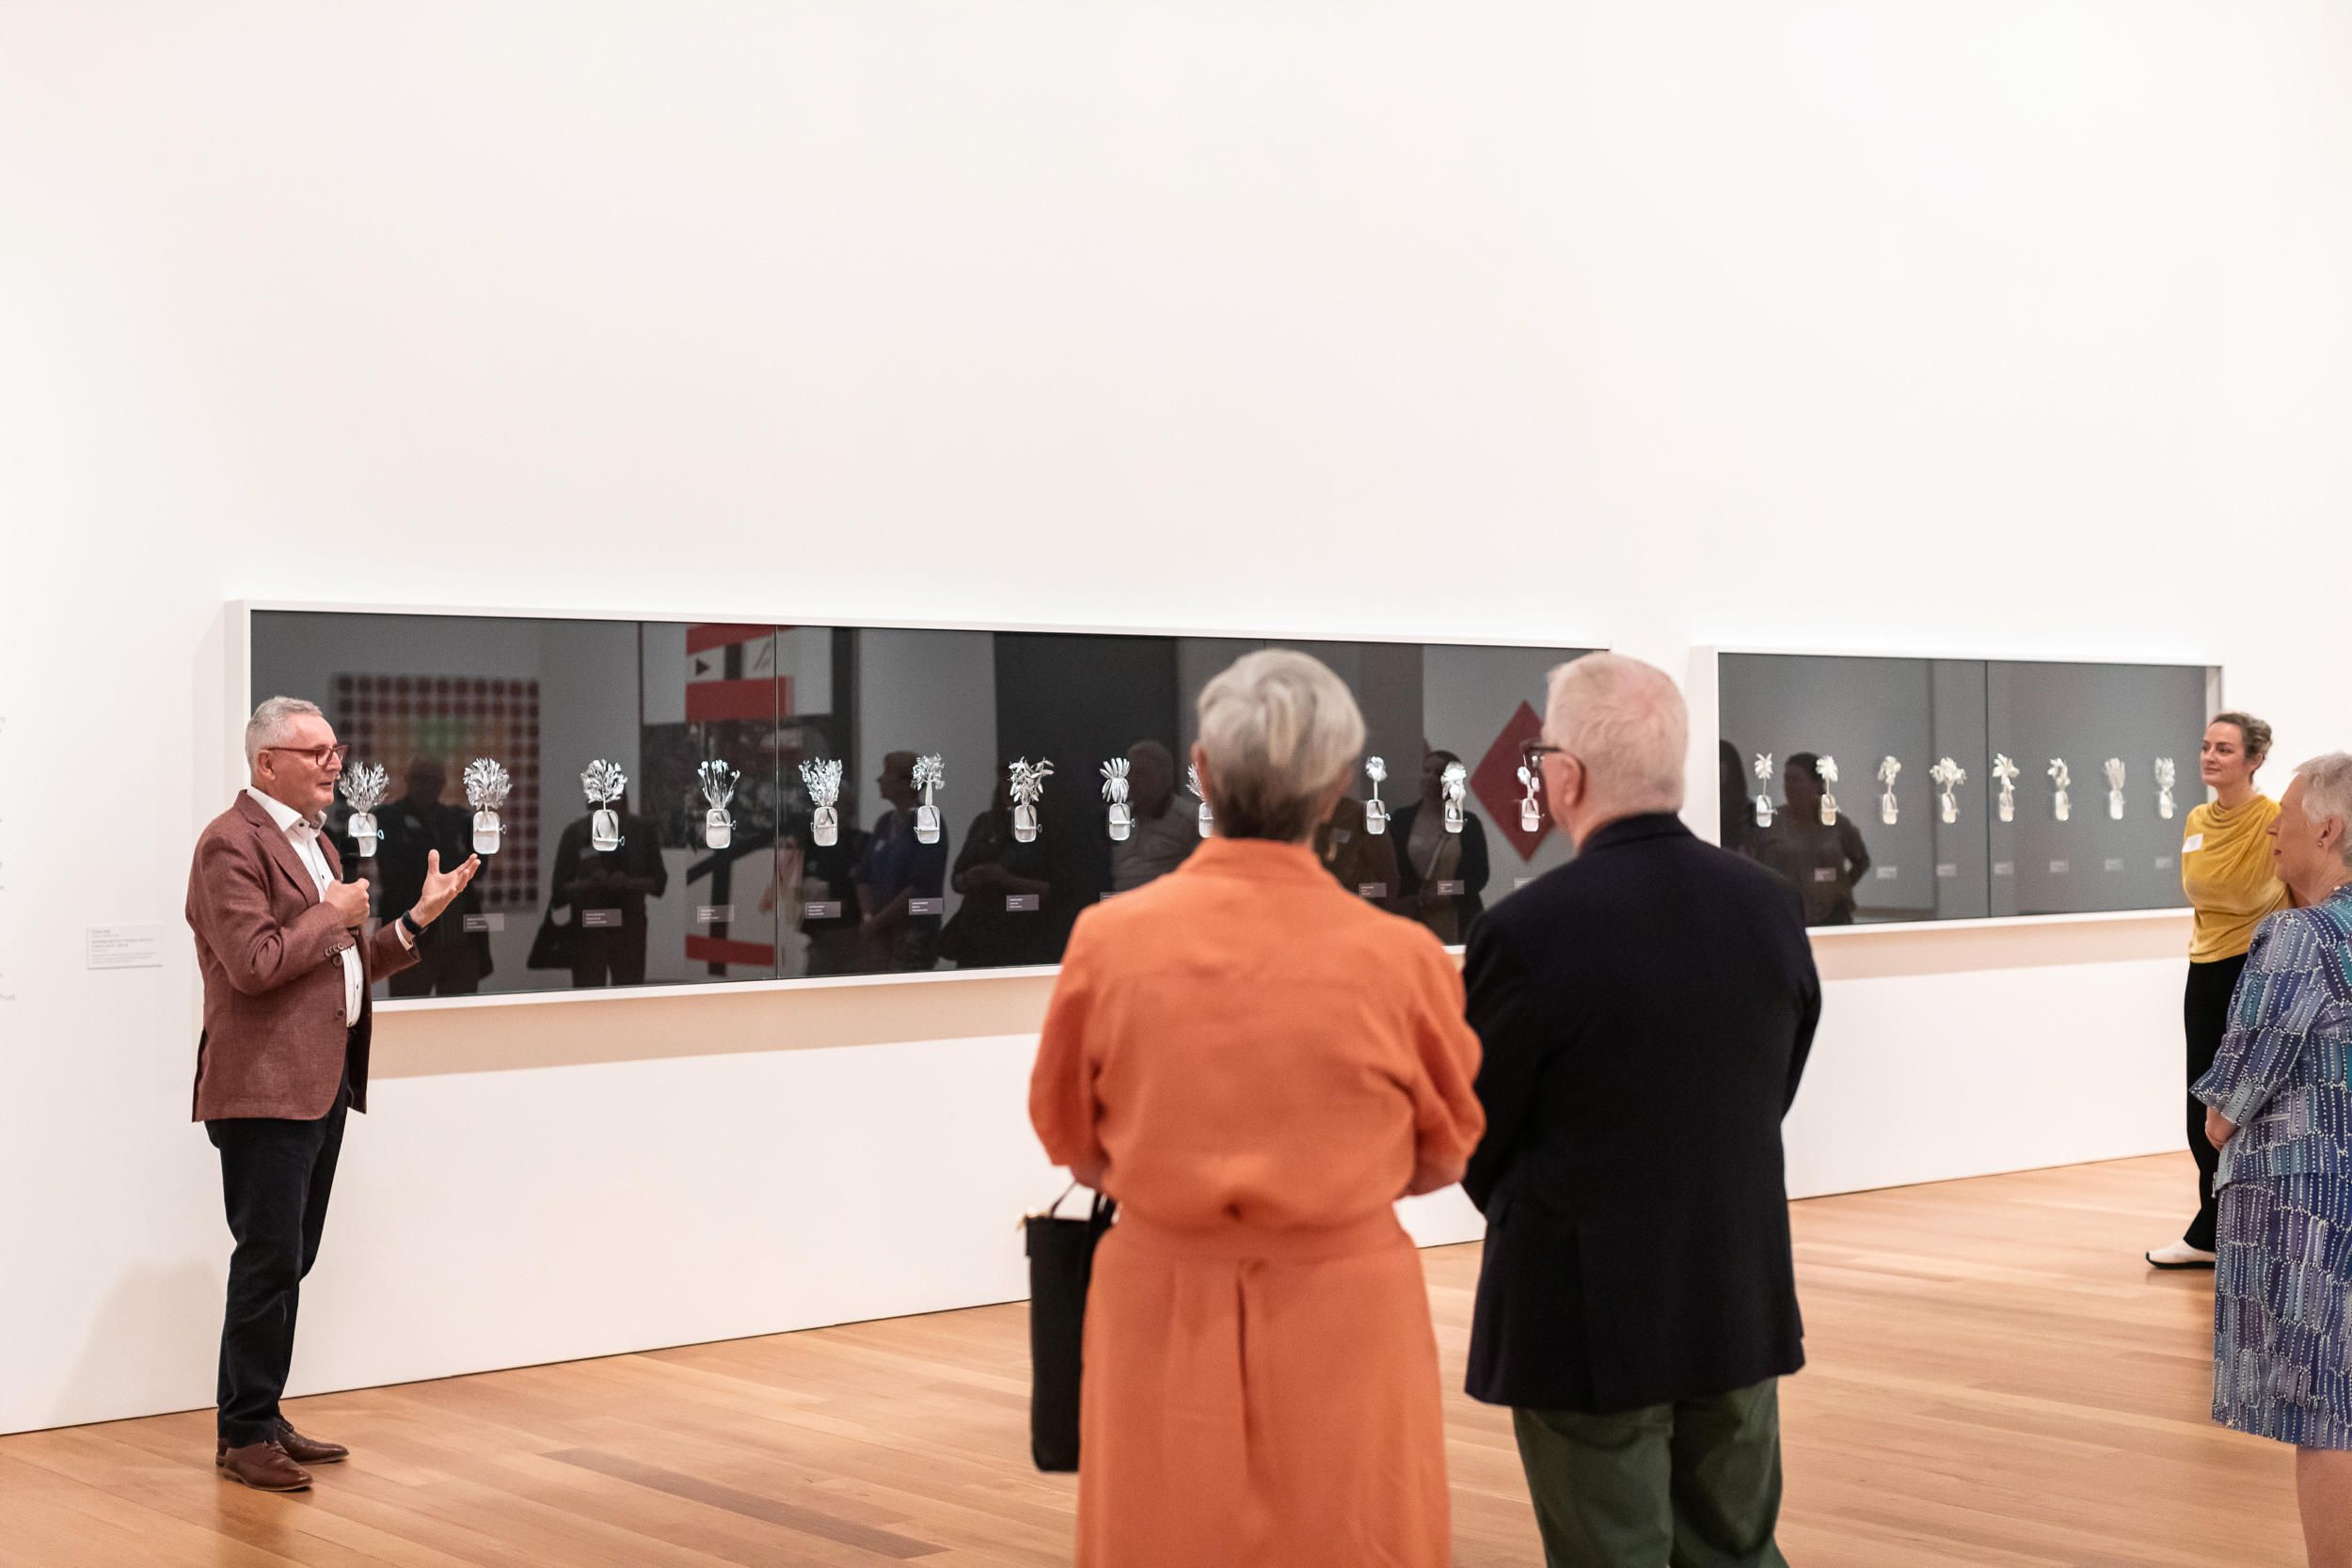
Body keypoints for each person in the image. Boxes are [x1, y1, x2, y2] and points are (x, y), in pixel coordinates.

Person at [1028, 648, 1483, 1568]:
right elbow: (1446, 1145)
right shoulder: (1397, 957)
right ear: (1336, 789)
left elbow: (1068, 1135)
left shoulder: (1109, 940)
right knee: (1353, 1533)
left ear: (1201, 771)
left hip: (1158, 1302)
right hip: (1347, 1307)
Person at [1461, 655, 1819, 1568]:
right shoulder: (1769, 907)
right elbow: (1773, 1083)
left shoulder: (1527, 930)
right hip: (1733, 1282)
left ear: (1567, 774)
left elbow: (1474, 1127)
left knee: (1611, 1551)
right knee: (1737, 1546)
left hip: (1584, 1306)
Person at [185, 697, 477, 1492]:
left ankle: (260, 1412)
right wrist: (332, 911)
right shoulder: (227, 845)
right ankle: (244, 1432)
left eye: (335, 750)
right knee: (269, 1258)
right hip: (263, 1089)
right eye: (315, 752)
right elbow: (254, 961)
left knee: (292, 1257)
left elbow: (341, 963)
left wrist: (415, 919)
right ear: (265, 763)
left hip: (318, 1082)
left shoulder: (312, 843)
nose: (333, 764)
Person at [2194, 752, 2352, 1563]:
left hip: (2316, 1207)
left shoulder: (2300, 934)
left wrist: (2218, 1122)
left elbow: (2239, 1084)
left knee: (2326, 1409)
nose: (2275, 842)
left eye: (2284, 826)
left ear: (2327, 829)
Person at [2148, 711, 2291, 1269]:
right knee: (2200, 1098)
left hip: (2255, 967)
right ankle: (2210, 1228)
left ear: (2254, 760)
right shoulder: (2196, 819)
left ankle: (2251, 1229)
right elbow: (2201, 892)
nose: (2210, 757)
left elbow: (2293, 890)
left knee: (2247, 1100)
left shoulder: (2275, 819)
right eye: (2206, 746)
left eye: (2225, 750)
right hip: (2204, 966)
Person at [372, 758, 492, 996]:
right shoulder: (387, 818)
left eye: (434, 781)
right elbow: (394, 873)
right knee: (410, 1017)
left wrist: (483, 828)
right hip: (411, 937)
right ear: (407, 780)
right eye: (420, 779)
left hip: (460, 938)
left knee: (461, 1020)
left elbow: (480, 869)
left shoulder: (455, 819)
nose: (427, 786)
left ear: (443, 785)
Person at [548, 789, 670, 989]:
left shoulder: (641, 831)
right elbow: (559, 890)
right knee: (589, 1002)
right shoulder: (576, 833)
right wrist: (589, 884)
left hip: (629, 929)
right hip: (589, 931)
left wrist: (628, 883)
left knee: (628, 1000)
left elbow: (659, 881)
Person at [854, 750, 949, 971]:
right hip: (880, 936)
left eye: (887, 773)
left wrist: (876, 923)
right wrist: (869, 917)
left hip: (912, 935)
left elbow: (921, 885)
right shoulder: (885, 823)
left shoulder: (927, 822)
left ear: (907, 783)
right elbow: (864, 876)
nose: (880, 779)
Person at [1753, 750, 1870, 925]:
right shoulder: (1773, 822)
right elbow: (1755, 862)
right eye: (1787, 779)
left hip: (1832, 918)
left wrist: (1839, 887)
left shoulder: (1837, 824)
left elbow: (1862, 861)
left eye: (1796, 779)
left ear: (1816, 784)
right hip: (1783, 916)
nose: (1789, 785)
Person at [1389, 748, 1491, 942]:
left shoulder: (1468, 823)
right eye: (1426, 771)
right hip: (1412, 917)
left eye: (1438, 773)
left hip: (1458, 918)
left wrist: (1446, 892)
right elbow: (1390, 868)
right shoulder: (1402, 819)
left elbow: (1479, 876)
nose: (1430, 778)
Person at [1108, 739, 1197, 892]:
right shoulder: (1118, 816)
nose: (1132, 780)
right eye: (1131, 773)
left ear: (1164, 779)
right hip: (1120, 908)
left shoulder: (1190, 819)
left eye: (1141, 773)